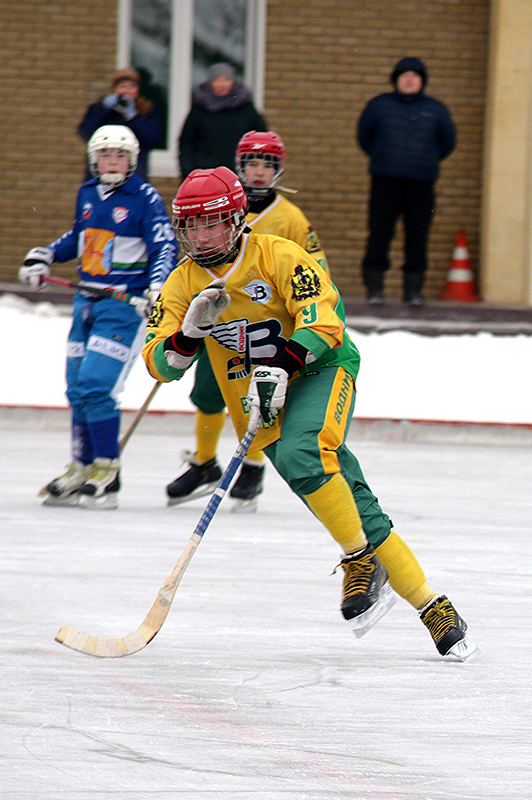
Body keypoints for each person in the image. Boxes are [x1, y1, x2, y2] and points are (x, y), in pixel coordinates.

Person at [143, 166, 476, 658]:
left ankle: (359, 559)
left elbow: (322, 318)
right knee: (349, 503)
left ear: (236, 219)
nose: (201, 235)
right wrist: (188, 334)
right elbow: (159, 364)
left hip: (318, 370)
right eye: (190, 225)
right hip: (255, 401)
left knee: (304, 451)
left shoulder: (277, 253)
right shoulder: (181, 284)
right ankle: (432, 605)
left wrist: (283, 362)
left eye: (211, 222)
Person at [166, 130, 331, 512]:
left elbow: (316, 272)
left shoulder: (290, 219)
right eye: (251, 164)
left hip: (267, 326)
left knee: (256, 397)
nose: (258, 172)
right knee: (208, 391)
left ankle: (253, 467)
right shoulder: (216, 207)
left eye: (266, 165)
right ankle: (205, 462)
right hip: (218, 323)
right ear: (240, 167)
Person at [20, 125, 177, 509]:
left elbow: (164, 247)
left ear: (132, 160)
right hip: (86, 301)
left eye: (120, 155)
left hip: (124, 306)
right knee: (76, 389)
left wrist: (158, 287)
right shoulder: (87, 193)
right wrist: (47, 256)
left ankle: (106, 471)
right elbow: (79, 235)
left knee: (96, 385)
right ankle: (80, 467)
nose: (112, 162)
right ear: (94, 159)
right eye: (105, 155)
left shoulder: (146, 198)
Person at [356, 56, 456, 306]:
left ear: (422, 81)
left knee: (418, 237)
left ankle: (413, 291)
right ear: (395, 80)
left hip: (422, 185)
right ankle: (374, 288)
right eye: (404, 75)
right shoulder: (379, 106)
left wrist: (427, 161)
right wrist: (383, 158)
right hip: (385, 183)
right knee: (379, 234)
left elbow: (448, 142)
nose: (409, 80)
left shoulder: (436, 109)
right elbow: (364, 136)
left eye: (415, 76)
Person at [177, 63, 267, 176]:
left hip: (240, 174)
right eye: (218, 80)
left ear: (232, 82)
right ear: (211, 83)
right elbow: (186, 142)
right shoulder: (199, 110)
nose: (222, 84)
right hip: (206, 175)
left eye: (226, 80)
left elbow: (261, 139)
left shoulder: (246, 109)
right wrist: (187, 172)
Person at [78, 67, 163, 180]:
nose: (127, 91)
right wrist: (104, 109)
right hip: (100, 175)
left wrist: (133, 117)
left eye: (132, 87)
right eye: (123, 87)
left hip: (135, 174)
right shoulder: (99, 108)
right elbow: (86, 132)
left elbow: (152, 139)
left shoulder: (146, 111)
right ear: (114, 89)